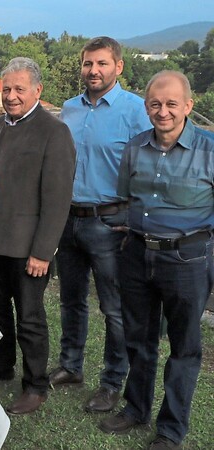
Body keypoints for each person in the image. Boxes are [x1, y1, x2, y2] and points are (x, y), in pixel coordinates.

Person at [98, 71, 214, 450]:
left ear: (188, 106)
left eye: (171, 104)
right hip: (137, 254)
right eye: (155, 104)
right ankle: (136, 409)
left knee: (183, 349)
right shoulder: (134, 147)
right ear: (146, 106)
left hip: (187, 259)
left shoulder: (210, 150)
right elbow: (126, 199)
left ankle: (171, 430)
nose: (162, 111)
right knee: (139, 340)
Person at [49, 37, 152, 412]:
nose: (94, 71)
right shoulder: (69, 109)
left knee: (114, 309)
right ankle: (70, 366)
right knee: (70, 301)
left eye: (102, 64)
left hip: (111, 223)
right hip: (70, 219)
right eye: (88, 64)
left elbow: (149, 168)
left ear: (118, 67)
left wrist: (137, 219)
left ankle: (111, 382)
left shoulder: (135, 110)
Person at [0, 57, 75, 415]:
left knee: (29, 318)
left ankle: (35, 385)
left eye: (19, 89)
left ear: (37, 90)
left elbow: (58, 198)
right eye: (6, 88)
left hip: (29, 247)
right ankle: (1, 366)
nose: (11, 95)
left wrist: (43, 252)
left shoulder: (54, 132)